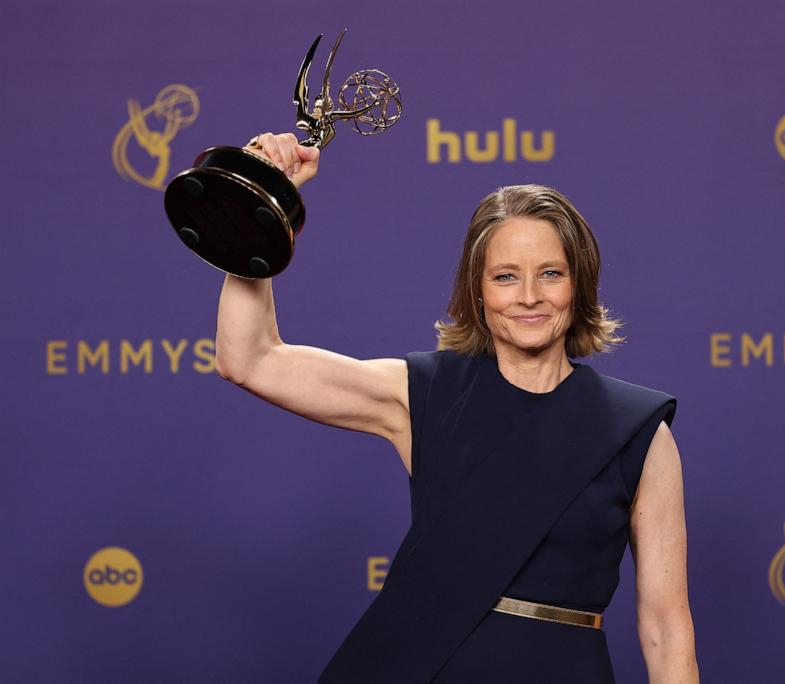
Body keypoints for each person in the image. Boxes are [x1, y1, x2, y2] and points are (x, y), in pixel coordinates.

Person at [216, 132, 699, 683]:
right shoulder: (423, 395)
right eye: (505, 277)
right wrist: (261, 203)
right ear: (477, 291)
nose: (529, 297)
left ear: (579, 284)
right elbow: (249, 359)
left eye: (551, 274)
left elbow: (666, 626)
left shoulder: (637, 431)